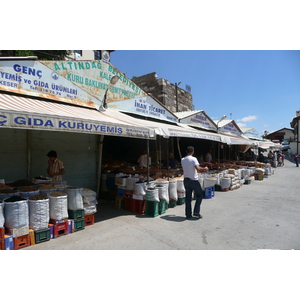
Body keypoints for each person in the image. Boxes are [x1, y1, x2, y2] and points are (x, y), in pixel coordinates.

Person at [181, 146, 208, 220]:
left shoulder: (183, 159)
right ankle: (196, 211)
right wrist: (205, 169)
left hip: (186, 180)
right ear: (193, 152)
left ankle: (188, 214)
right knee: (200, 195)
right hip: (193, 180)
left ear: (186, 151)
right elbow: (198, 169)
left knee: (188, 198)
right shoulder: (193, 159)